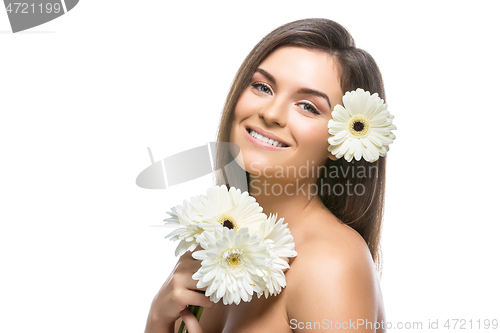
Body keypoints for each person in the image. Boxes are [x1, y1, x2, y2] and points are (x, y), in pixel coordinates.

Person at [145, 18, 395, 333]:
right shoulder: (215, 244)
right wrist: (157, 322)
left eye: (308, 106)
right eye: (263, 87)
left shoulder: (329, 264)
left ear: (343, 140)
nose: (271, 113)